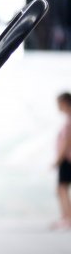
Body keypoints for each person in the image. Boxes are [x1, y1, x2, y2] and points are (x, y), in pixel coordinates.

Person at [53, 92, 71, 230]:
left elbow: (68, 140)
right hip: (66, 158)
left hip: (67, 159)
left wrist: (58, 159)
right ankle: (66, 217)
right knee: (61, 188)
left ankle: (68, 218)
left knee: (62, 188)